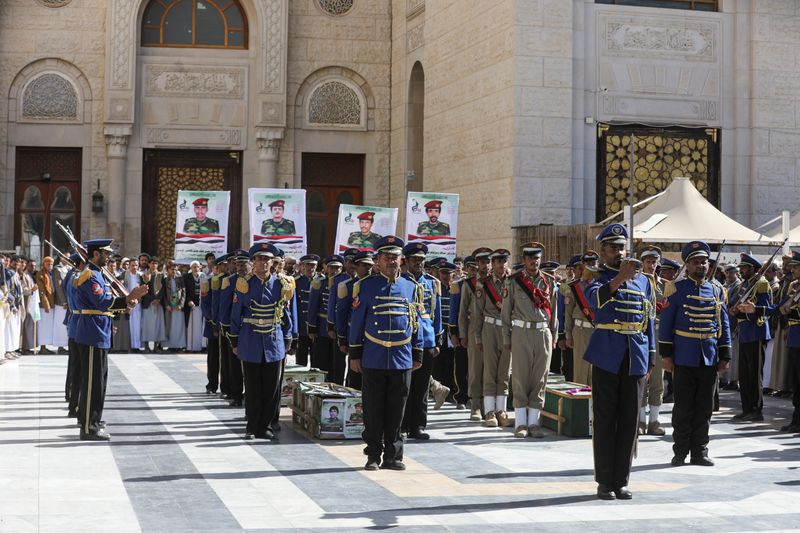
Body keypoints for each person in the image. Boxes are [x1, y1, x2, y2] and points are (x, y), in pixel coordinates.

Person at [583, 223, 656, 500]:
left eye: (621, 247)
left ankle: (621, 480)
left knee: (629, 420)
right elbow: (595, 302)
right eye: (613, 248)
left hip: (635, 355)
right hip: (606, 354)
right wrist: (618, 279)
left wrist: (650, 357)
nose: (618, 252)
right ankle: (604, 481)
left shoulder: (643, 281)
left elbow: (648, 319)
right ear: (602, 251)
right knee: (605, 419)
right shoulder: (596, 275)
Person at [348, 236, 423, 471]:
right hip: (374, 355)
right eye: (386, 257)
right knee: (373, 409)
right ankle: (373, 455)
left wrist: (417, 352)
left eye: (395, 257)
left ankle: (394, 455)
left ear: (401, 260)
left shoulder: (411, 287)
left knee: (397, 409)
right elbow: (357, 322)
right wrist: (355, 354)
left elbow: (416, 321)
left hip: (401, 357)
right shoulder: (366, 286)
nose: (391, 261)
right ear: (378, 260)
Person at [659, 240, 731, 467]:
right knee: (683, 407)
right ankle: (679, 452)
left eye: (704, 262)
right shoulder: (676, 289)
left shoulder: (717, 290)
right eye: (697, 262)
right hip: (684, 356)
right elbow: (666, 325)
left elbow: (724, 324)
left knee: (705, 407)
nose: (702, 266)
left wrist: (725, 355)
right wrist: (667, 356)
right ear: (687, 265)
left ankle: (700, 451)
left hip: (709, 356)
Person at [72, 238, 148, 440]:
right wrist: (128, 298)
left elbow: (105, 304)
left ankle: (93, 419)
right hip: (91, 332)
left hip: (99, 330)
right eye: (105, 253)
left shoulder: (98, 274)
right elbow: (101, 301)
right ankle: (89, 427)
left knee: (99, 381)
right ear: (95, 254)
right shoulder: (90, 275)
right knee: (92, 382)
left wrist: (125, 303)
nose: (108, 257)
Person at [230, 242, 294, 441]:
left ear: (272, 262)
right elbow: (236, 313)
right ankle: (252, 426)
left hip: (274, 341)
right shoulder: (244, 283)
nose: (263, 263)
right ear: (253, 262)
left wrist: (289, 336)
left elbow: (286, 313)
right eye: (259, 259)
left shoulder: (282, 284)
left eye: (267, 259)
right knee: (252, 387)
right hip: (250, 340)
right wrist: (234, 339)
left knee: (271, 388)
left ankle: (266, 426)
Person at [501, 242, 559, 439]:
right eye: (530, 258)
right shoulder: (513, 281)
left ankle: (534, 423)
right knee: (519, 377)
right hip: (521, 332)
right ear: (524, 260)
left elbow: (555, 312)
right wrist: (506, 338)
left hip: (543, 333)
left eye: (537, 258)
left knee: (540, 378)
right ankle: (520, 423)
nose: (534, 262)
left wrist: (554, 336)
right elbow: (505, 312)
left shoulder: (549, 282)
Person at [400, 242, 443, 440]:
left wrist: (436, 340)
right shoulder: (399, 281)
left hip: (425, 338)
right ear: (406, 261)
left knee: (422, 386)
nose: (418, 263)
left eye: (421, 260)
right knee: (403, 385)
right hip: (405, 339)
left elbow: (437, 313)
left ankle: (417, 425)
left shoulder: (432, 283)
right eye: (414, 259)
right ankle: (401, 423)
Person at [730, 253, 772, 422]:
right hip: (745, 333)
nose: (742, 270)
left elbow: (766, 309)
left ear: (753, 269)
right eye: (741, 267)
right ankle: (746, 408)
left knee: (755, 375)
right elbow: (734, 303)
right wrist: (734, 309)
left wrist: (749, 310)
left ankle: (756, 409)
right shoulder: (744, 285)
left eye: (745, 268)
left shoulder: (761, 284)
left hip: (757, 332)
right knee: (745, 374)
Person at [475, 248, 513, 428]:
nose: (501, 264)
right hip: (490, 328)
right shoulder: (484, 283)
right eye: (498, 261)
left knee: (504, 371)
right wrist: (478, 337)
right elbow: (477, 312)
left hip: (508, 328)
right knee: (490, 370)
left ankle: (502, 410)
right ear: (493, 263)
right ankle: (489, 411)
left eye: (504, 261)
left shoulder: (514, 281)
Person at [458, 248, 492, 421]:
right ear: (477, 264)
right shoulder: (469, 283)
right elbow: (463, 311)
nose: (485, 265)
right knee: (475, 368)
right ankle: (475, 405)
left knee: (491, 368)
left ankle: (490, 405)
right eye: (482, 262)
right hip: (474, 328)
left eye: (488, 261)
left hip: (493, 328)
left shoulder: (498, 282)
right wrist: (463, 334)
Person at [334, 251, 374, 390]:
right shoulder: (347, 286)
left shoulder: (377, 285)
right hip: (355, 336)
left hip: (373, 337)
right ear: (356, 266)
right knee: (355, 373)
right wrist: (342, 339)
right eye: (364, 265)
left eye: (370, 265)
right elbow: (342, 314)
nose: (368, 269)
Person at [217, 249, 250, 407]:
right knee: (235, 364)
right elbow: (224, 306)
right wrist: (226, 327)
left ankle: (250, 395)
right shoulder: (230, 281)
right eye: (238, 264)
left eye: (244, 263)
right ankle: (236, 395)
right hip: (235, 328)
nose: (241, 267)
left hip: (252, 328)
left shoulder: (253, 280)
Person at [639, 245, 666, 436]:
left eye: (654, 262)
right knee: (642, 378)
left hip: (659, 333)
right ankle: (640, 420)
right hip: (641, 334)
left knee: (657, 380)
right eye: (648, 262)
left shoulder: (666, 285)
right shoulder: (637, 282)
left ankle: (654, 420)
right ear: (642, 263)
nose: (651, 265)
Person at [563, 251, 600, 387]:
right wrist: (568, 334)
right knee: (581, 370)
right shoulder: (575, 286)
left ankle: (594, 406)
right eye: (587, 263)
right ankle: (581, 405)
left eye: (593, 262)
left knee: (596, 371)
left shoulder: (603, 284)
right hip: (581, 329)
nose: (590, 265)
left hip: (598, 331)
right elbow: (568, 312)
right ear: (583, 265)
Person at [307, 255, 343, 376]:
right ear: (326, 268)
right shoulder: (319, 284)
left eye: (337, 268)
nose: (334, 270)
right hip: (322, 328)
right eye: (331, 267)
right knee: (321, 362)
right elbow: (312, 307)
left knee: (337, 363)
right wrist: (312, 328)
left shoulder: (345, 284)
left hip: (339, 328)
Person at [294, 254, 319, 367]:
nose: (310, 268)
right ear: (302, 266)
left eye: (313, 265)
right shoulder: (296, 282)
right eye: (308, 264)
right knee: (300, 362)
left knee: (317, 362)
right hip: (301, 327)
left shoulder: (321, 281)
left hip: (317, 328)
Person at [162, 261, 187, 350]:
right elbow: (163, 294)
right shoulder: (165, 280)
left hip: (178, 306)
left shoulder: (180, 279)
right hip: (169, 306)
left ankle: (178, 345)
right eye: (172, 269)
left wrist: (181, 304)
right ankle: (170, 345)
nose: (174, 271)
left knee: (178, 326)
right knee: (170, 325)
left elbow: (184, 292)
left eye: (175, 270)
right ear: (168, 270)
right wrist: (167, 305)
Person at [36, 256, 57, 354]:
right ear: (44, 264)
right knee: (43, 326)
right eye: (48, 264)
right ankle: (42, 348)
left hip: (51, 303)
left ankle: (45, 347)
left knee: (48, 326)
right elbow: (42, 292)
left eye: (51, 264)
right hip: (44, 306)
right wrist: (46, 305)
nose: (50, 266)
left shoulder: (50, 274)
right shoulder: (40, 274)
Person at [124, 259, 144, 351]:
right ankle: (129, 345)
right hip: (128, 302)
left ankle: (137, 345)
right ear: (129, 266)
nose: (134, 267)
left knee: (137, 324)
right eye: (132, 265)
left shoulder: (140, 275)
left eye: (136, 265)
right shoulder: (125, 274)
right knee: (129, 324)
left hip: (138, 303)